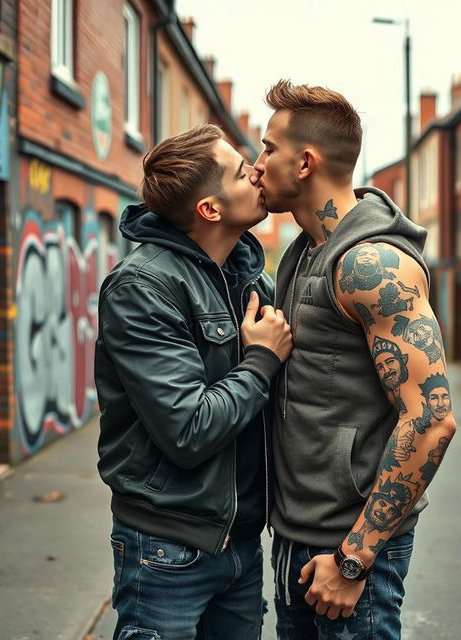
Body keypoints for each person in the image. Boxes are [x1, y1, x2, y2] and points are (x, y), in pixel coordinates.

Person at [252, 80, 457, 640]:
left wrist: (354, 558)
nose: (256, 163)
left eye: (268, 148)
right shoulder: (304, 252)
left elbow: (433, 418)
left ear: (305, 162)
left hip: (350, 549)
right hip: (297, 535)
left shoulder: (371, 265)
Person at [94, 124, 292, 640]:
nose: (256, 170)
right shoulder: (144, 286)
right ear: (210, 209)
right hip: (168, 549)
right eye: (238, 169)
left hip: (243, 544)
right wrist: (260, 362)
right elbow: (188, 428)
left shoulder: (247, 277)